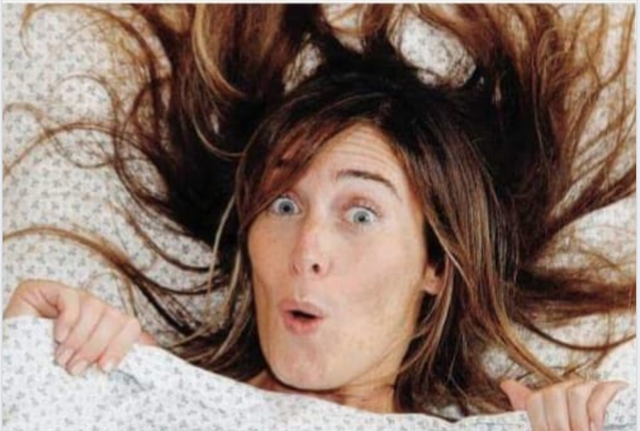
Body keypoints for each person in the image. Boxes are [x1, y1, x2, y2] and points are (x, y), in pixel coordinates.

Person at [3, 3, 635, 431]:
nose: (307, 249)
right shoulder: (124, 396)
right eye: (284, 204)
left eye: (360, 214)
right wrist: (28, 369)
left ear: (436, 265)